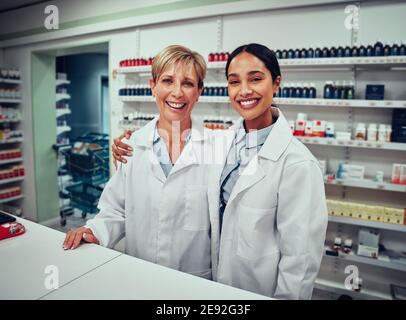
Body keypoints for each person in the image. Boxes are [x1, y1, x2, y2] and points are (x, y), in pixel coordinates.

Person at [112, 43, 328, 299]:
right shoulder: (221, 143)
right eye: (235, 82)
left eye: (256, 79)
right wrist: (128, 141)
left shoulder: (298, 163)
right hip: (213, 286)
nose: (244, 90)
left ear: (276, 83)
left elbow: (300, 260)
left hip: (257, 290)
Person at [63, 45, 216, 280]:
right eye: (167, 81)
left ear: (199, 91)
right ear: (153, 86)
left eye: (187, 83)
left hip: (194, 279)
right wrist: (94, 231)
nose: (177, 92)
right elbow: (115, 210)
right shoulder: (132, 146)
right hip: (139, 273)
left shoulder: (216, 149)